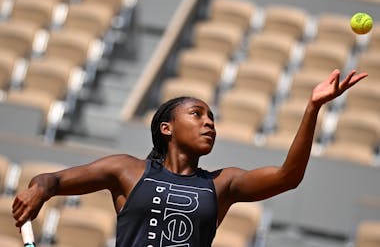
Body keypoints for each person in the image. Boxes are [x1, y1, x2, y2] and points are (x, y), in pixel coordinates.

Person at [12, 69, 367, 246]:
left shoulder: (222, 184)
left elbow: (287, 177)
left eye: (212, 117)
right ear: (167, 128)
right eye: (197, 114)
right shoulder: (127, 170)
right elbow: (52, 181)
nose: (209, 122)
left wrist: (312, 108)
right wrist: (38, 191)